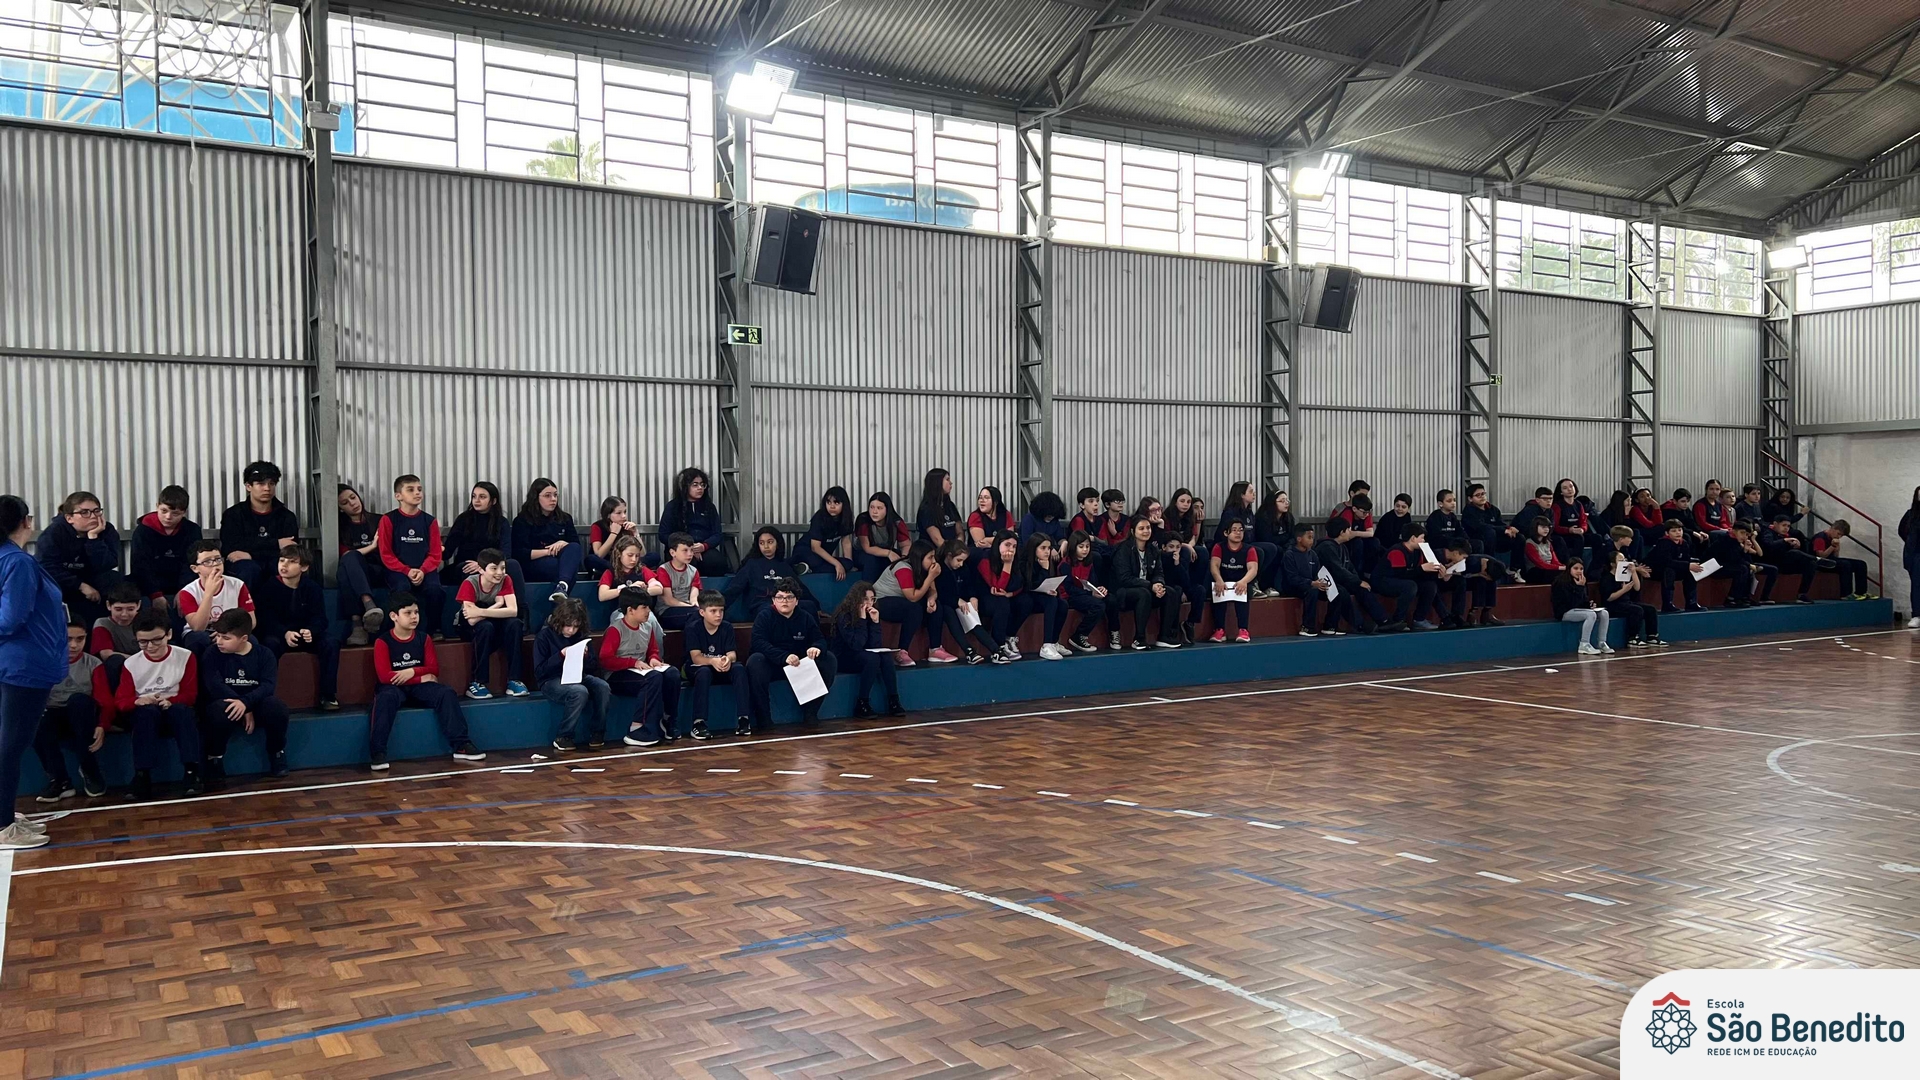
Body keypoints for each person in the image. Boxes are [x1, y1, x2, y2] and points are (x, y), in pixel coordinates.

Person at [2, 497, 87, 841]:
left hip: (24, 663)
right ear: (26, 521)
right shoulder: (18, 562)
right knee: (10, 745)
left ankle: (5, 814)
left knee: (12, 744)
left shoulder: (13, 559)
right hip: (22, 666)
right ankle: (2, 825)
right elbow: (11, 618)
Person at [369, 593, 482, 770]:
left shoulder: (424, 638)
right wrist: (421, 676)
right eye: (408, 613)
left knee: (446, 693)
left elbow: (433, 669)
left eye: (416, 612)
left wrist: (412, 671)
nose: (414, 617)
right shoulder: (383, 642)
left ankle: (461, 745)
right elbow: (385, 676)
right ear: (393, 616)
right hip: (393, 687)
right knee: (385, 698)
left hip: (418, 687)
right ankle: (378, 753)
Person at [118, 610, 206, 799]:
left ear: (169, 634)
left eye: (156, 640)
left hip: (175, 708)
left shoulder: (185, 657)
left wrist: (170, 701)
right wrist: (137, 701)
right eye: (143, 642)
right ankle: (142, 775)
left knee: (182, 712)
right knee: (146, 714)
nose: (150, 646)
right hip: (146, 712)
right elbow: (121, 701)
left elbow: (190, 694)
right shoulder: (131, 664)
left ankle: (192, 771)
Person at [199, 609, 291, 786]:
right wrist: (242, 706)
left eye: (226, 638)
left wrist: (246, 703)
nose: (219, 641)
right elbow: (214, 685)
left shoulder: (264, 654)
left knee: (276, 707)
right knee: (219, 710)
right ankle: (215, 757)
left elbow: (268, 686)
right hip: (226, 703)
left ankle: (276, 752)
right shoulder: (212, 653)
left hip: (254, 703)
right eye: (218, 636)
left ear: (243, 638)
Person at [253, 547, 342, 711]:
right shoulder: (269, 586)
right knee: (269, 645)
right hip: (279, 634)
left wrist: (311, 631)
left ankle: (328, 695)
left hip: (304, 633)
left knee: (331, 643)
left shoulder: (312, 587)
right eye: (282, 560)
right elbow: (265, 619)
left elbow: (320, 618)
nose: (284, 565)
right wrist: (284, 633)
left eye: (292, 562)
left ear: (304, 567)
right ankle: (265, 696)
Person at [32, 620, 107, 802]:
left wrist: (102, 725)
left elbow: (104, 700)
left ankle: (90, 770)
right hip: (54, 714)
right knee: (38, 721)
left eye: (80, 639)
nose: (74, 645)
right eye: (68, 639)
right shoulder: (43, 662)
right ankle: (60, 780)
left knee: (79, 701)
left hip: (83, 715)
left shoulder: (93, 663)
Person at [748, 580, 840, 726]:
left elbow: (819, 639)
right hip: (773, 663)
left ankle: (810, 713)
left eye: (789, 597)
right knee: (755, 661)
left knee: (829, 659)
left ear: (796, 601)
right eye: (780, 597)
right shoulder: (764, 616)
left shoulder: (805, 617)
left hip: (798, 665)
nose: (784, 601)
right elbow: (758, 643)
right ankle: (763, 718)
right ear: (773, 600)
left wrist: (816, 647)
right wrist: (783, 657)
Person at [601, 589, 679, 746]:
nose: (648, 611)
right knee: (652, 678)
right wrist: (632, 662)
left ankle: (667, 719)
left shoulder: (647, 627)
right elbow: (605, 660)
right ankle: (637, 727)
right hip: (617, 674)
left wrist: (654, 659)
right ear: (630, 610)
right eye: (644, 607)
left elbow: (653, 650)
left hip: (641, 670)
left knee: (672, 674)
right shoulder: (615, 630)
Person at [532, 596, 611, 752]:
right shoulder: (544, 636)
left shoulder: (581, 636)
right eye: (568, 626)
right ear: (559, 621)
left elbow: (593, 666)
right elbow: (540, 671)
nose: (571, 630)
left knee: (603, 687)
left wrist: (586, 657)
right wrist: (560, 655)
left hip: (578, 675)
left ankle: (597, 732)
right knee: (579, 691)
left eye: (575, 627)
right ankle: (564, 736)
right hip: (551, 680)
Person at [34, 491, 122, 626]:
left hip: (94, 580)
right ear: (69, 518)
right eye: (84, 512)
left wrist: (93, 539)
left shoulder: (106, 530)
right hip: (64, 583)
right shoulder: (54, 533)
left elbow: (108, 563)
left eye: (96, 511)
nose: (93, 516)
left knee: (117, 581)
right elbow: (46, 567)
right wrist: (80, 585)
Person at [377, 474, 447, 640]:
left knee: (435, 590)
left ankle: (434, 629)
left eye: (419, 489)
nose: (417, 493)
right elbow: (386, 554)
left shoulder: (429, 521)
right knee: (401, 587)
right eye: (411, 489)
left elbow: (435, 554)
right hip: (398, 570)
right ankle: (399, 631)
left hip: (425, 569)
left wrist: (423, 570)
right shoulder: (388, 519)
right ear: (398, 496)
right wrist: (406, 571)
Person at [682, 590, 756, 739]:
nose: (718, 615)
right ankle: (698, 723)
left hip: (720, 668)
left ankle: (744, 719)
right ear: (702, 612)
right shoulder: (693, 628)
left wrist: (728, 659)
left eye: (721, 611)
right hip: (699, 668)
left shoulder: (726, 627)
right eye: (713, 611)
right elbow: (696, 658)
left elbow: (732, 654)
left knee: (739, 669)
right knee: (704, 672)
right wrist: (712, 661)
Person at [443, 482, 529, 608]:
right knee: (470, 571)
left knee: (513, 564)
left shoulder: (501, 522)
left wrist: (483, 565)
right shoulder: (464, 519)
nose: (476, 500)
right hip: (466, 564)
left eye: (482, 497)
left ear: (493, 501)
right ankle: (476, 611)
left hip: (493, 565)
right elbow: (448, 551)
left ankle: (521, 609)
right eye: (474, 496)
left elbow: (506, 552)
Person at [456, 548, 527, 700]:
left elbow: (513, 611)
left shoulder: (506, 579)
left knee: (515, 624)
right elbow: (472, 619)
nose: (499, 573)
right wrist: (498, 604)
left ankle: (514, 680)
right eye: (494, 568)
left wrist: (481, 611)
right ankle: (477, 682)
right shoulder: (470, 583)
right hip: (469, 627)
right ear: (481, 570)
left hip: (492, 621)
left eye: (502, 568)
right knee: (485, 627)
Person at [218, 460, 300, 588]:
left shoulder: (286, 516)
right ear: (248, 486)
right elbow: (231, 549)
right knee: (249, 569)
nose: (267, 488)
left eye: (271, 483)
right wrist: (277, 543)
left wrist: (251, 554)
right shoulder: (233, 514)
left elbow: (290, 550)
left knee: (285, 567)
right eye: (260, 483)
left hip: (275, 563)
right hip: (244, 567)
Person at [831, 582, 906, 719]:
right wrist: (862, 620)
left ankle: (894, 700)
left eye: (872, 599)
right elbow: (856, 644)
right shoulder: (844, 616)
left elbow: (875, 645)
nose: (869, 603)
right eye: (865, 599)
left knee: (885, 656)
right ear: (856, 598)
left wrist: (875, 623)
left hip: (863, 655)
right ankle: (862, 702)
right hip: (844, 657)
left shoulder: (871, 614)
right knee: (872, 658)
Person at [1109, 516, 1182, 650]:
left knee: (1171, 592)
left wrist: (1158, 584)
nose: (1146, 531)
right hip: (1124, 592)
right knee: (1143, 593)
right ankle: (1139, 638)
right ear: (1133, 531)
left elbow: (1158, 572)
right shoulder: (1123, 549)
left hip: (1147, 589)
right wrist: (1150, 585)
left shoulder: (1153, 550)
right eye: (1141, 528)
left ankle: (1164, 636)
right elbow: (1124, 578)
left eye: (1148, 528)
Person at [130, 485, 201, 619]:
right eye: (164, 511)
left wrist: (184, 590)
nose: (168, 517)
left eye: (175, 513)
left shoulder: (192, 530)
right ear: (157, 506)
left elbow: (191, 563)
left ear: (184, 512)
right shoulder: (143, 531)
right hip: (150, 583)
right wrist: (155, 594)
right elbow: (140, 565)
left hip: (179, 581)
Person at [932, 540, 1004, 665]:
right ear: (949, 556)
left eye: (963, 561)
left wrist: (973, 597)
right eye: (958, 560)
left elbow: (970, 585)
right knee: (949, 613)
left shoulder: (963, 568)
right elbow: (939, 592)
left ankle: (995, 649)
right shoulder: (940, 569)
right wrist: (956, 601)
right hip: (947, 604)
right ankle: (968, 650)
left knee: (973, 620)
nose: (961, 564)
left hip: (963, 603)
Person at [725, 527, 820, 621]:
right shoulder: (751, 565)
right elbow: (734, 588)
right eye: (762, 543)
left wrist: (817, 608)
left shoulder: (783, 566)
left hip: (784, 602)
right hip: (761, 605)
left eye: (770, 542)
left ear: (777, 543)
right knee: (771, 611)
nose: (766, 546)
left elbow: (800, 588)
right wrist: (720, 607)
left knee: (809, 606)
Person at [176, 540, 255, 653]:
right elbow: (198, 627)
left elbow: (251, 621)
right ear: (195, 568)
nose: (215, 564)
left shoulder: (238, 585)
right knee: (198, 639)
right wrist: (209, 593)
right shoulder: (188, 592)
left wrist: (225, 633)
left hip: (231, 630)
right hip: (201, 632)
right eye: (207, 561)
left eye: (218, 559)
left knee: (250, 640)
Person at [335, 484, 387, 646]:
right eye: (345, 503)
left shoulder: (379, 520)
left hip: (379, 570)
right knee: (346, 566)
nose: (352, 503)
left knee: (347, 567)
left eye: (353, 497)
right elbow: (345, 555)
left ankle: (357, 625)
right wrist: (372, 546)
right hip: (357, 572)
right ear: (340, 508)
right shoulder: (339, 527)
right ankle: (367, 605)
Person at [875, 540, 940, 666]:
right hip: (881, 600)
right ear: (919, 557)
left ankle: (935, 649)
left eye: (934, 557)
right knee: (914, 609)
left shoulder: (925, 568)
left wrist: (931, 599)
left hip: (903, 600)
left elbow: (932, 590)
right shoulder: (903, 568)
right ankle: (901, 651)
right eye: (930, 557)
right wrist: (931, 577)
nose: (934, 561)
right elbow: (913, 597)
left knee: (938, 606)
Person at [512, 478, 584, 592]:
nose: (553, 499)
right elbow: (520, 553)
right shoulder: (523, 520)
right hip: (534, 563)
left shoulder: (565, 518)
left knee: (573, 550)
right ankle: (562, 589)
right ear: (536, 497)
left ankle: (562, 586)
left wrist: (563, 543)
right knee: (564, 567)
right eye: (547, 495)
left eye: (555, 495)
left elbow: (575, 545)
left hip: (561, 561)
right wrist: (549, 551)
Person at [1314, 526, 1391, 633]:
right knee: (1343, 592)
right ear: (1342, 532)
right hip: (1329, 582)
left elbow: (1350, 568)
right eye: (1348, 530)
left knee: (1363, 589)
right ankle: (1360, 625)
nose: (1350, 532)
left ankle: (1383, 620)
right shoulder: (1326, 547)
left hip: (1342, 580)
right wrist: (1357, 581)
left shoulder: (1343, 547)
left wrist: (1358, 581)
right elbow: (1337, 569)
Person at [657, 467, 728, 575]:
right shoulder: (673, 507)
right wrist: (688, 547)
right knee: (686, 562)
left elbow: (717, 534)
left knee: (717, 563)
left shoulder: (709, 507)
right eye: (695, 485)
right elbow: (663, 534)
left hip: (704, 549)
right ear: (685, 486)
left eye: (702, 485)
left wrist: (704, 546)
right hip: (679, 549)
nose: (700, 488)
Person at [1378, 523, 1446, 630]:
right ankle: (1398, 620)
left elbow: (1418, 573)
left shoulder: (1418, 552)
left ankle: (1419, 619)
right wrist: (1422, 569)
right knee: (1410, 586)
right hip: (1384, 581)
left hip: (1405, 579)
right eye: (1422, 538)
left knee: (1430, 586)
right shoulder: (1397, 551)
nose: (1424, 541)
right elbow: (1400, 574)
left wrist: (1437, 574)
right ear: (1413, 538)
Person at [1013, 534, 1069, 659]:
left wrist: (1052, 590)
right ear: (1034, 548)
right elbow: (1028, 585)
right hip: (1027, 596)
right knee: (1051, 602)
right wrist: (1044, 570)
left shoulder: (1047, 562)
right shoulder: (1024, 563)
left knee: (1062, 604)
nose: (1047, 552)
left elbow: (1048, 581)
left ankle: (1054, 642)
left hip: (1042, 596)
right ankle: (1046, 645)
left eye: (1049, 548)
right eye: (1043, 548)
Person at [975, 530, 1026, 660]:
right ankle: (999, 646)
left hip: (1005, 595)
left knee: (1026, 601)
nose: (1011, 550)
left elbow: (1020, 584)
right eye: (1007, 545)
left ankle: (1009, 636)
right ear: (998, 545)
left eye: (1014, 546)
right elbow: (998, 587)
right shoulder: (985, 559)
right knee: (1002, 603)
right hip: (984, 597)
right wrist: (1007, 564)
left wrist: (1011, 593)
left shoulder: (1016, 559)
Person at [1599, 550, 1665, 648]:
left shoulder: (1625, 575)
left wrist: (1633, 572)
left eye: (1624, 560)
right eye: (1621, 560)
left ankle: (1652, 636)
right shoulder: (1607, 578)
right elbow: (1609, 598)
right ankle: (1632, 638)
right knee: (1636, 610)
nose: (1624, 562)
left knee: (1650, 609)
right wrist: (1623, 590)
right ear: (1613, 564)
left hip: (1626, 602)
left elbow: (1637, 588)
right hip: (1613, 605)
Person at [1058, 531, 1110, 653]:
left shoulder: (1089, 562)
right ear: (1073, 546)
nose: (1085, 550)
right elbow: (1069, 589)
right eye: (1081, 547)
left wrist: (1099, 589)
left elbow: (1092, 582)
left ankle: (1114, 634)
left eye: (1087, 546)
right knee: (1098, 606)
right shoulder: (1066, 564)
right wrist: (1090, 594)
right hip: (1069, 596)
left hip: (1084, 593)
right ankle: (1079, 635)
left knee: (1110, 599)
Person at [1209, 519, 1259, 642]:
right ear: (1226, 533)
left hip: (1241, 581)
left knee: (1243, 592)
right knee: (1218, 591)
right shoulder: (1219, 547)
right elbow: (1214, 565)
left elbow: (1253, 569)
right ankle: (1219, 630)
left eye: (1241, 530)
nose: (1238, 533)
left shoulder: (1249, 549)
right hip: (1223, 580)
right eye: (1234, 530)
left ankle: (1243, 630)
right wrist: (1219, 580)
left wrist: (1243, 582)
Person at [1281, 523, 1334, 638]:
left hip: (1312, 584)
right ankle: (1307, 627)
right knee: (1312, 591)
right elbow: (1292, 578)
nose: (1312, 541)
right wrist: (1311, 583)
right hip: (1294, 587)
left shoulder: (1312, 554)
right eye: (1309, 537)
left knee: (1338, 590)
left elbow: (1317, 573)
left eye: (1312, 537)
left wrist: (1321, 582)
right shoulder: (1289, 555)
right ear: (1299, 539)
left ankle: (1330, 625)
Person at [1708, 522, 1778, 608]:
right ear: (1734, 531)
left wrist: (1745, 551)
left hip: (1727, 565)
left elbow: (1742, 558)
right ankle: (1731, 598)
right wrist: (1749, 565)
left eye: (1747, 534)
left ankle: (1745, 598)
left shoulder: (1736, 541)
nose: (1744, 536)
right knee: (1743, 569)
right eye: (1742, 533)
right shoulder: (1725, 540)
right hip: (1713, 567)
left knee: (1746, 568)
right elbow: (1732, 559)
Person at [1159, 528, 1207, 645]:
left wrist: (1177, 564)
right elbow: (1165, 579)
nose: (1175, 550)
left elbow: (1186, 580)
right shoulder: (1160, 558)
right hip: (1169, 588)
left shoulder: (1182, 557)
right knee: (1176, 590)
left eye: (1178, 547)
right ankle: (1172, 629)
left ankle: (1190, 623)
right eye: (1171, 547)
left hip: (1182, 587)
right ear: (1164, 547)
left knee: (1199, 590)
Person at [1647, 519, 1706, 613]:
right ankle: (1667, 604)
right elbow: (1665, 562)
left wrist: (1691, 565)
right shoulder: (1663, 543)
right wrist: (1687, 565)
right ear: (1667, 533)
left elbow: (1686, 559)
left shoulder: (1684, 543)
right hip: (1655, 570)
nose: (1678, 533)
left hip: (1674, 569)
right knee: (1669, 571)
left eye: (1679, 530)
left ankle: (1691, 603)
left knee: (1690, 572)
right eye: (1674, 531)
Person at [1760, 516, 1822, 604]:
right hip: (1771, 561)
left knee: (1811, 564)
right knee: (1794, 553)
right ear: (1775, 524)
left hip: (1783, 564)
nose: (1786, 528)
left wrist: (1794, 545)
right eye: (1784, 525)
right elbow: (1768, 546)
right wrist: (1785, 541)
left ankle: (1802, 594)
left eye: (1788, 526)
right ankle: (1817, 559)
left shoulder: (1786, 536)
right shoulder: (1768, 532)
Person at [1551, 564, 1610, 656]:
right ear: (1569, 569)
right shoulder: (1561, 582)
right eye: (1576, 568)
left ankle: (1602, 642)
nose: (1579, 571)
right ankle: (1584, 644)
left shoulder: (1582, 581)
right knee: (1591, 615)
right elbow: (1570, 603)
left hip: (1577, 610)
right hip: (1564, 612)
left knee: (1604, 613)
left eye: (1581, 569)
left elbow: (1582, 600)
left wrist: (1589, 605)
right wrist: (1579, 588)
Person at [650, 534, 706, 631]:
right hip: (667, 611)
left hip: (689, 609)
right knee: (697, 615)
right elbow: (669, 600)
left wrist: (696, 606)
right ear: (673, 552)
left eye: (691, 550)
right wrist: (691, 607)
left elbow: (694, 598)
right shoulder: (663, 570)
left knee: (704, 615)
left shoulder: (694, 571)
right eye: (685, 550)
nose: (690, 554)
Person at [1810, 519, 1874, 599]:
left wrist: (1837, 549)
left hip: (1831, 560)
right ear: (1833, 528)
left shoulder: (1832, 538)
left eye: (1841, 535)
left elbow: (1835, 557)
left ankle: (1861, 592)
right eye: (1838, 534)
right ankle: (1846, 594)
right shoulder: (1820, 538)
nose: (1839, 537)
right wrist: (1832, 546)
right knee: (1845, 565)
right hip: (1819, 563)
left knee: (1860, 564)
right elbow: (1821, 556)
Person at [854, 493, 912, 582]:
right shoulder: (863, 520)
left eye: (879, 508)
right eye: (872, 507)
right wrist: (888, 553)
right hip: (863, 553)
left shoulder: (896, 522)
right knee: (872, 561)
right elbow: (867, 548)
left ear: (887, 509)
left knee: (907, 559)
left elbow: (906, 545)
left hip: (886, 551)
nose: (874, 511)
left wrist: (903, 558)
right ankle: (867, 588)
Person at [800, 486, 856, 578]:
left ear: (844, 504)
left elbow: (846, 542)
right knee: (815, 561)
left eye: (836, 502)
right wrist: (837, 564)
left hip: (824, 558)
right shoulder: (819, 518)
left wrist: (849, 564)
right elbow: (815, 547)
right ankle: (800, 566)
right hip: (806, 552)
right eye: (828, 502)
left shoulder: (846, 519)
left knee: (848, 564)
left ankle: (808, 569)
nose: (832, 506)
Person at [1462, 483, 1519, 567]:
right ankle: (1490, 566)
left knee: (1518, 537)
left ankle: (1516, 568)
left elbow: (1500, 523)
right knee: (1489, 532)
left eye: (1483, 494)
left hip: (1495, 537)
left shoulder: (1493, 509)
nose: (1482, 497)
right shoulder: (1469, 511)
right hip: (1478, 537)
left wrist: (1509, 528)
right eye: (1478, 495)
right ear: (1470, 499)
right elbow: (1481, 526)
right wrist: (1503, 530)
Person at [598, 535, 658, 604]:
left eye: (637, 556)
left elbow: (658, 589)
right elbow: (602, 595)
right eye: (630, 555)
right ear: (619, 554)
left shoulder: (642, 569)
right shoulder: (610, 572)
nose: (634, 559)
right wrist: (629, 589)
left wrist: (639, 590)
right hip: (620, 609)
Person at [587, 496, 637, 576]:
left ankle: (622, 570)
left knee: (653, 556)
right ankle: (620, 571)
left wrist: (635, 533)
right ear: (608, 515)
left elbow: (642, 554)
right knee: (590, 559)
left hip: (625, 562)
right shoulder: (597, 526)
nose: (624, 516)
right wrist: (614, 533)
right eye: (619, 513)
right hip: (607, 562)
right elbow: (599, 555)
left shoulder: (627, 526)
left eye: (625, 512)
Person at [89, 583, 141, 660]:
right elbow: (106, 654)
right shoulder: (103, 624)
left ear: (139, 605)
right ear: (108, 605)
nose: (124, 614)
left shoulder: (146, 620)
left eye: (130, 609)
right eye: (118, 609)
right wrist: (138, 660)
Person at [914, 469, 963, 546]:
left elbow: (960, 531)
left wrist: (959, 546)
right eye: (947, 479)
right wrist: (953, 551)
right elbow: (937, 540)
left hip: (954, 548)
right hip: (935, 550)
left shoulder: (950, 505)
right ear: (937, 482)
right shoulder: (926, 509)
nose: (951, 483)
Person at [1550, 478, 1594, 565]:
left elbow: (1583, 521)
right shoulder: (1557, 506)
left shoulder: (1578, 504)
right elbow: (1555, 526)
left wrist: (1582, 529)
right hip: (1563, 534)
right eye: (1565, 488)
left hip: (1577, 532)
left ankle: (1595, 567)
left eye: (1571, 486)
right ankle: (1574, 564)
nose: (1569, 489)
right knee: (1578, 539)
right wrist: (1569, 530)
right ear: (1561, 492)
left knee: (1597, 538)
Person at [966, 486, 1014, 564]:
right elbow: (980, 542)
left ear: (995, 502)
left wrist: (989, 542)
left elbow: (1011, 538)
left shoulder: (1006, 514)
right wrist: (1002, 540)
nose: (982, 500)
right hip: (981, 555)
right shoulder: (975, 516)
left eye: (986, 498)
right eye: (980, 497)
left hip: (1002, 552)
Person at [1517, 518, 1565, 585]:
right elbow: (1540, 564)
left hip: (1550, 569)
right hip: (1535, 571)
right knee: (1557, 575)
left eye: (1548, 527)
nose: (1546, 529)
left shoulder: (1548, 543)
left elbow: (1555, 561)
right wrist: (1559, 568)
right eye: (1543, 527)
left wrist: (1565, 567)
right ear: (1535, 527)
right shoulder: (1529, 544)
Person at [1426, 490, 1465, 554]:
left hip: (1454, 543)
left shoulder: (1453, 516)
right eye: (1449, 501)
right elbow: (1436, 537)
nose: (1453, 503)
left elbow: (1460, 531)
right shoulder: (1435, 517)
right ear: (1440, 504)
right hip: (1440, 546)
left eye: (1454, 500)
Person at [1905, 487, 1920, 629]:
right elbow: (1902, 531)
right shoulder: (1911, 515)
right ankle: (1917, 615)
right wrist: (1911, 543)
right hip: (1916, 555)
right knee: (1916, 585)